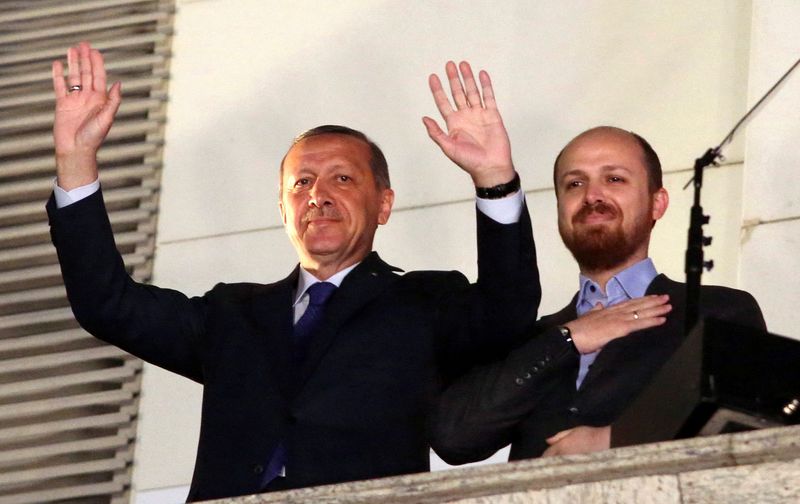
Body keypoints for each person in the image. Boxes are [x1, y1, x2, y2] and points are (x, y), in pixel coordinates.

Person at [47, 43, 540, 501]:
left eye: (342, 179)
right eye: (301, 182)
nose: (318, 195)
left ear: (384, 204)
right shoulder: (230, 315)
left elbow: (508, 310)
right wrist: (76, 159)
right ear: (284, 210)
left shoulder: (423, 302)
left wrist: (494, 179)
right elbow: (106, 303)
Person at [430, 126, 766, 464]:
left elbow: (753, 426)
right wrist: (568, 339)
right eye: (575, 184)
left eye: (615, 179)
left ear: (657, 203)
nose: (592, 196)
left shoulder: (717, 310)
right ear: (560, 208)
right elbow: (453, 437)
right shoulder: (533, 338)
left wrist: (617, 439)